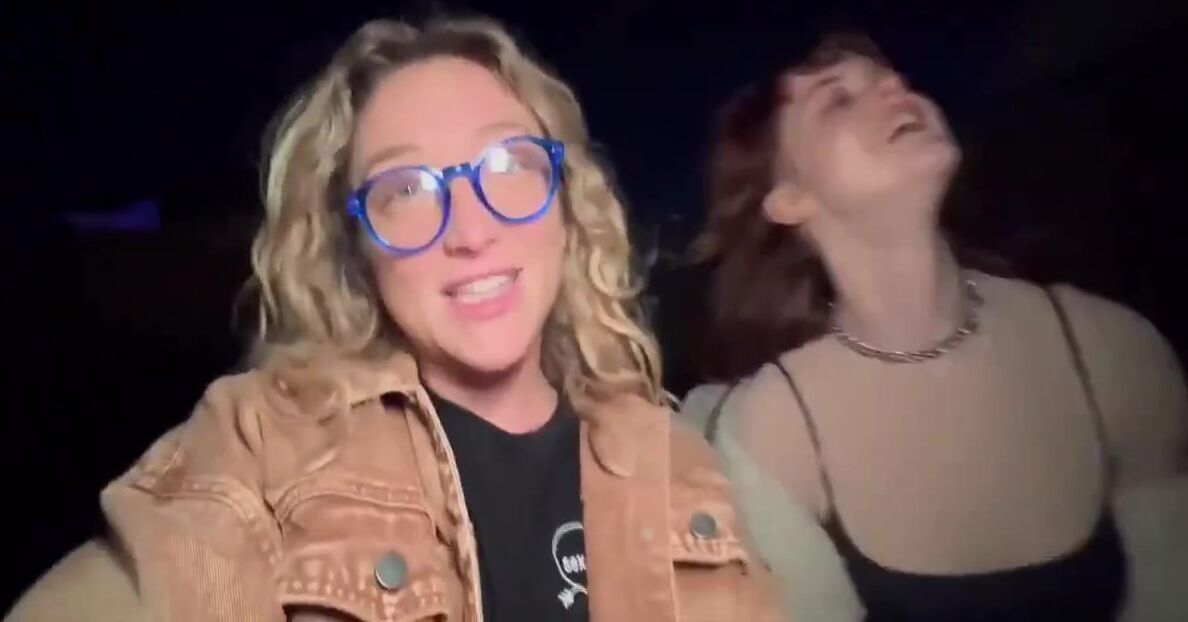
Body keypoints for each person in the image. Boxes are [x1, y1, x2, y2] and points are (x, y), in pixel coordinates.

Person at [7, 17, 783, 622]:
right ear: (358, 252)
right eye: (406, 189)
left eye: (506, 164)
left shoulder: (675, 459)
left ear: (567, 206)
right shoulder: (266, 448)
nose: (470, 229)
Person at [682, 32, 1188, 621]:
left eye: (889, 76)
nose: (896, 87)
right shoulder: (775, 431)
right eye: (837, 99)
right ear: (789, 199)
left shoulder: (1108, 348)